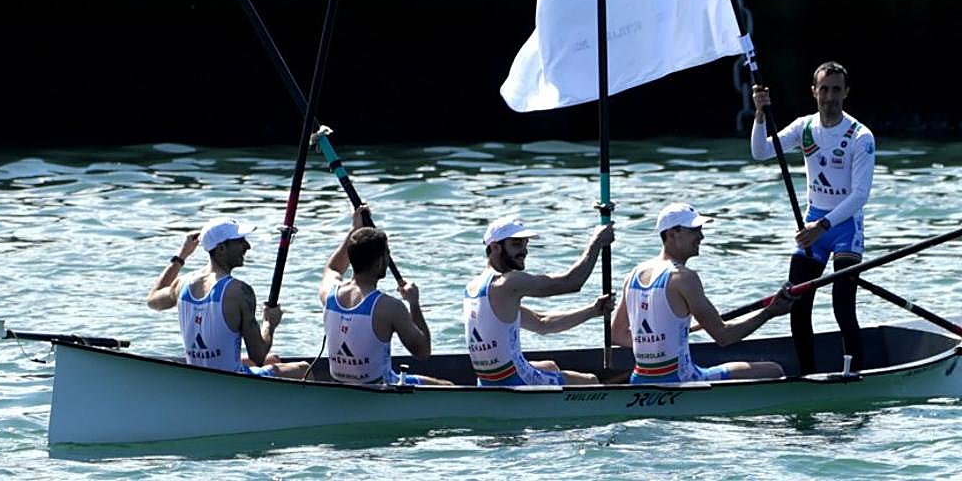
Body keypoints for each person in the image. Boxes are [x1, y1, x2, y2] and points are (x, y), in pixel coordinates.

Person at [751, 61, 876, 374]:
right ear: (814, 92)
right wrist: (760, 114)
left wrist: (822, 226)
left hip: (844, 227)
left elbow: (860, 195)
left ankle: (854, 374)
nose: (830, 97)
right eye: (824, 89)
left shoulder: (861, 136)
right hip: (813, 225)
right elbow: (761, 152)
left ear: (846, 92)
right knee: (797, 303)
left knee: (842, 305)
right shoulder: (804, 127)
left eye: (836, 90)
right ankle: (807, 375)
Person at [611, 202, 793, 383]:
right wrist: (769, 313)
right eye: (694, 231)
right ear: (672, 234)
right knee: (774, 370)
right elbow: (723, 336)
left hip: (639, 379)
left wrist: (658, 344)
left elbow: (616, 334)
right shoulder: (683, 277)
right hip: (681, 379)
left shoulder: (633, 275)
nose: (701, 236)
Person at [146, 216, 308, 378]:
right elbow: (258, 356)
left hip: (198, 375)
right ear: (221, 248)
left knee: (273, 359)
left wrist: (182, 256)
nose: (248, 246)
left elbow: (153, 300)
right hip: (231, 380)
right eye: (240, 241)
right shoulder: (239, 291)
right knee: (303, 369)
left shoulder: (181, 284)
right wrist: (269, 324)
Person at [463, 213, 614, 386]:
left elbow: (542, 323)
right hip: (516, 381)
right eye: (516, 244)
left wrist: (593, 311)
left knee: (550, 366)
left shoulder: (473, 287)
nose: (524, 251)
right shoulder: (509, 282)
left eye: (525, 244)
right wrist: (596, 241)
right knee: (591, 381)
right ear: (495, 247)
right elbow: (572, 282)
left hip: (486, 382)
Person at [319, 204, 451, 386]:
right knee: (447, 386)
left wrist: (354, 230)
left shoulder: (329, 293)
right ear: (380, 262)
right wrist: (414, 303)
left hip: (341, 385)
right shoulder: (389, 307)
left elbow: (333, 268)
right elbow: (423, 352)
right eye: (387, 254)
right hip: (379, 389)